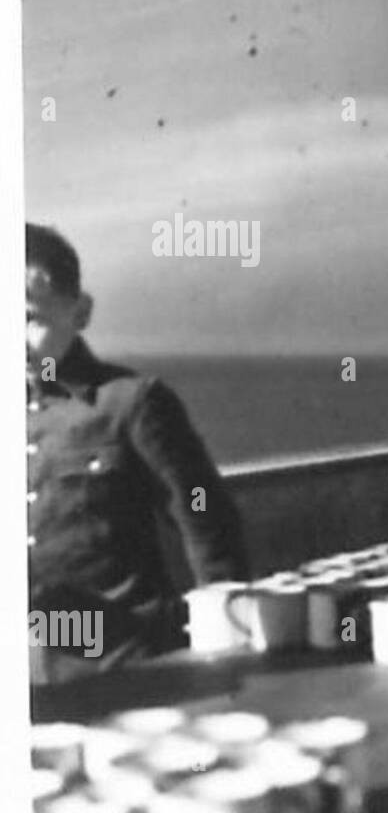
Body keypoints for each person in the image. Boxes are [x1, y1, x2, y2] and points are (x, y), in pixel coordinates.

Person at [26, 224, 247, 685]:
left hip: (129, 662)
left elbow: (205, 520)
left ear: (80, 311)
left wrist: (228, 642)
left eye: (29, 318)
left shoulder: (132, 402)